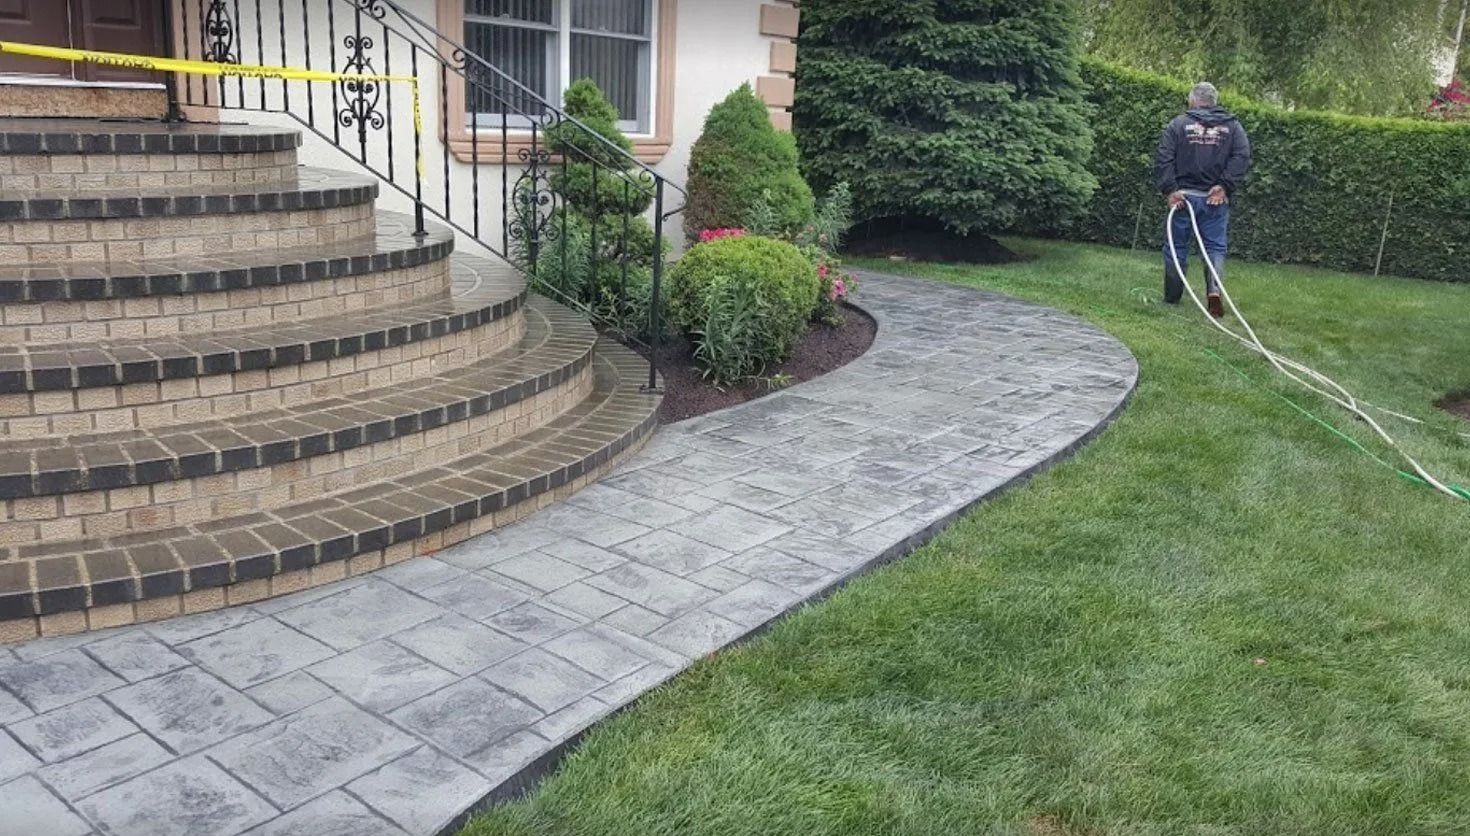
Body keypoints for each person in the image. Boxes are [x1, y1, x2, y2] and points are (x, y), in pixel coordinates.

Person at [1155, 82, 1252, 318]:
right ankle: (1214, 290)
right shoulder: (1233, 127)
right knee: (1214, 247)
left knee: (1177, 246)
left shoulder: (1178, 124)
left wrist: (1171, 190)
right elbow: (1242, 156)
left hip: (1184, 197)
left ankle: (1172, 296)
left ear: (1192, 100)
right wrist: (1224, 186)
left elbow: (1164, 158)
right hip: (1214, 200)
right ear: (1214, 101)